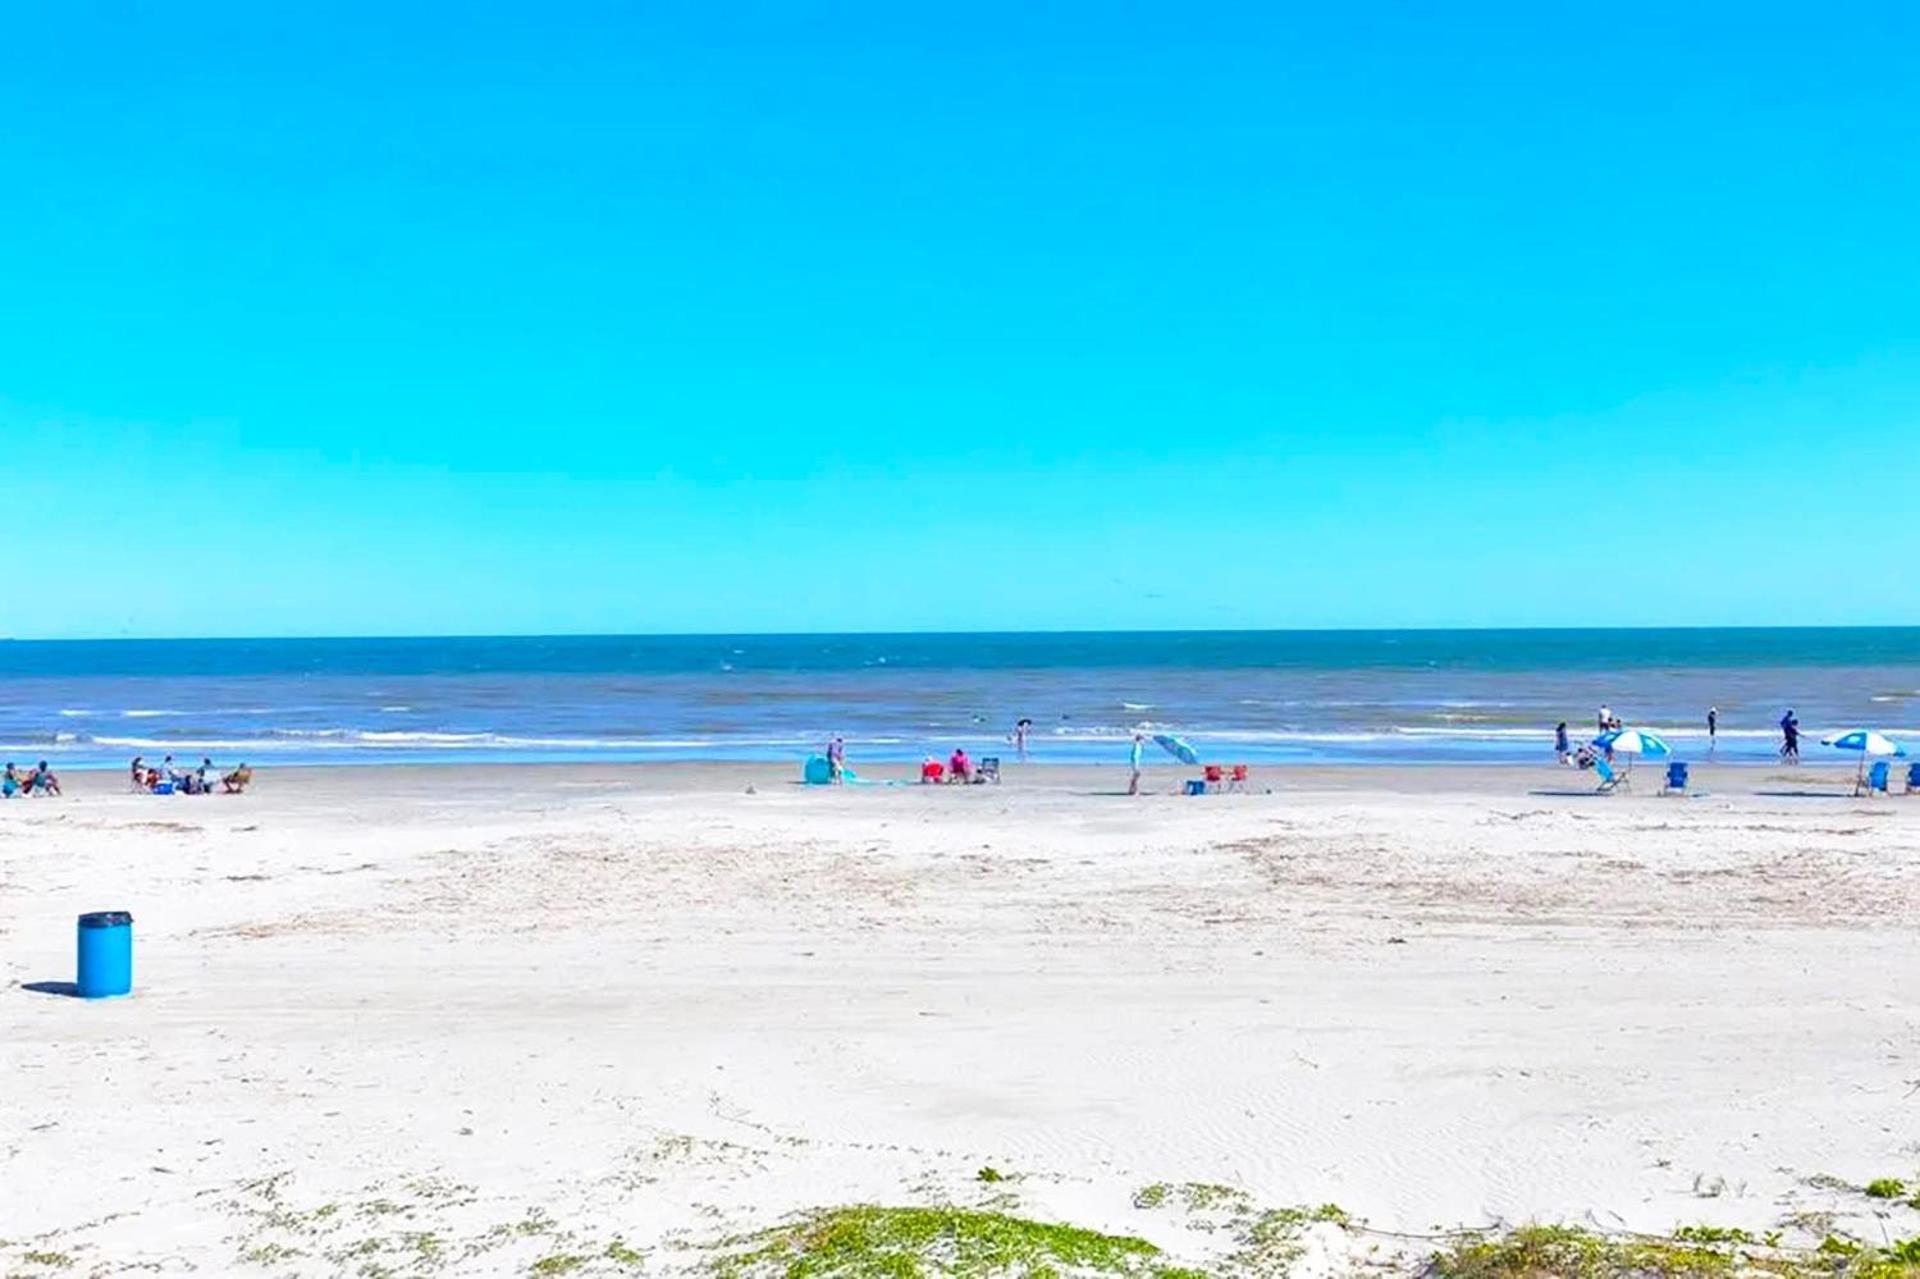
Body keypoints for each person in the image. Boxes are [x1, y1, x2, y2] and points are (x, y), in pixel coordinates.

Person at [1128, 731, 1146, 795]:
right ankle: (1135, 791)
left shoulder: (1138, 746)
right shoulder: (1137, 746)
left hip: (1135, 762)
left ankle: (1131, 789)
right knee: (1137, 775)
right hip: (1135, 762)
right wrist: (1136, 765)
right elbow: (1135, 756)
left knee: (1136, 776)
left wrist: (1143, 747)